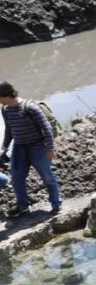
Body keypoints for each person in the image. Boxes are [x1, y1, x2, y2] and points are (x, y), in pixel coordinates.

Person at [0, 82, 61, 216]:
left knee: (47, 176)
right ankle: (23, 205)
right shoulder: (5, 110)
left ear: (5, 96)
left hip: (38, 147)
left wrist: (50, 149)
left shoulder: (30, 107)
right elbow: (9, 130)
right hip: (19, 147)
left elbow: (47, 128)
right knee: (16, 177)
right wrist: (4, 147)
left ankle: (56, 203)